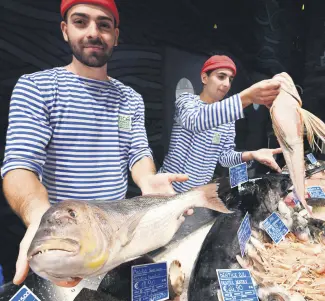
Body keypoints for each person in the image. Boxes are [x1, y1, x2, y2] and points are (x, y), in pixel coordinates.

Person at [1, 0, 188, 288]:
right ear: (65, 30)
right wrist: (40, 219)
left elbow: (137, 151)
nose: (93, 32)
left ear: (116, 35)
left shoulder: (130, 99)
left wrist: (148, 180)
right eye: (80, 21)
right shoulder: (36, 88)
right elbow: (20, 166)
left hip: (117, 235)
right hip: (66, 244)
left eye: (103, 24)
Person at [159, 55, 283, 193]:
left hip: (196, 196)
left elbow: (224, 158)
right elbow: (195, 121)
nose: (226, 84)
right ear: (204, 78)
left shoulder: (228, 119)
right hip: (167, 189)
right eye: (221, 76)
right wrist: (246, 98)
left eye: (230, 80)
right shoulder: (186, 101)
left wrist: (252, 155)